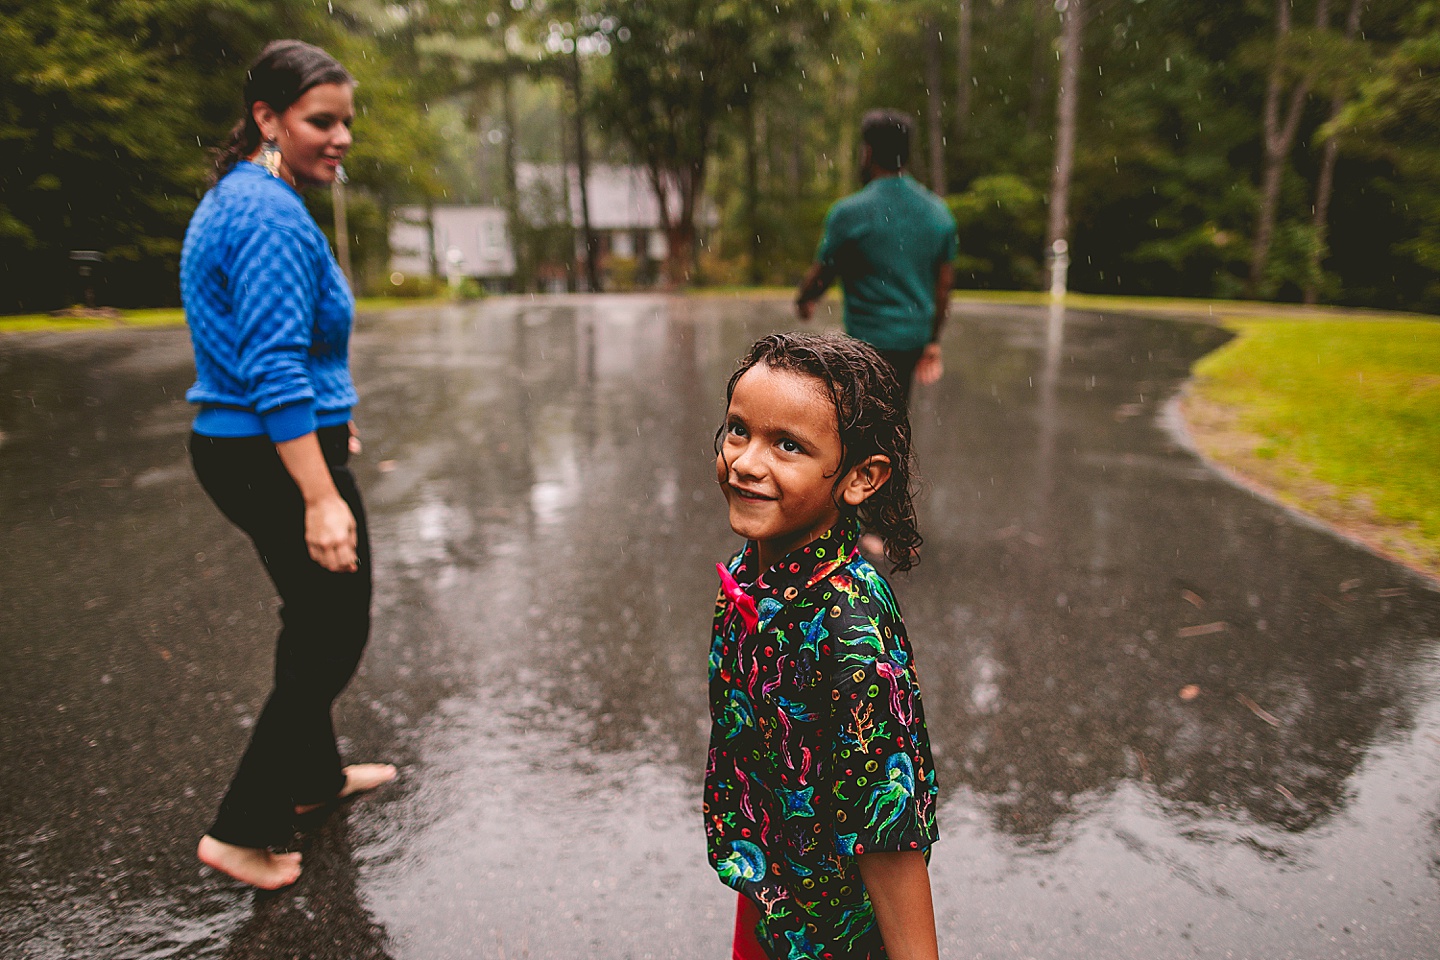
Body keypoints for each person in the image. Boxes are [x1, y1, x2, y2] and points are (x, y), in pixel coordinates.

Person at [181, 39, 395, 890]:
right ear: (267, 118)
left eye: (345, 120)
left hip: (258, 444)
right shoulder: (268, 214)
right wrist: (318, 495)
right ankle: (240, 830)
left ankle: (311, 779)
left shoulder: (248, 196)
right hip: (264, 456)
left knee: (312, 618)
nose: (339, 136)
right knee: (333, 629)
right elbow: (269, 364)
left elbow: (273, 358)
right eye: (320, 120)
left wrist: (324, 425)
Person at [707, 332, 940, 960]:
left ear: (861, 477)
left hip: (834, 933)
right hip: (770, 893)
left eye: (788, 445)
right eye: (737, 430)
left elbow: (888, 834)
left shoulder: (850, 634)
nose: (747, 462)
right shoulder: (754, 571)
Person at [795, 109, 958, 405]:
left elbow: (825, 270)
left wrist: (806, 298)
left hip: (867, 343)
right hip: (912, 340)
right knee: (895, 410)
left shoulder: (849, 213)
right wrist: (932, 341)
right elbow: (943, 287)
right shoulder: (938, 212)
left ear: (868, 152)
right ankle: (892, 449)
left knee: (865, 414)